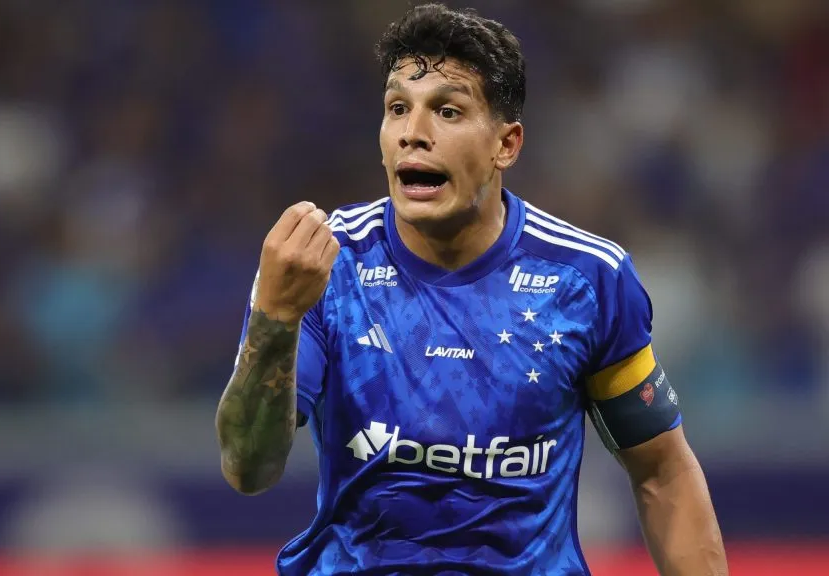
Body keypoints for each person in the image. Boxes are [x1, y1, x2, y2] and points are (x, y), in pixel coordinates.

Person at [215, 3, 727, 575]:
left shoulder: (587, 279)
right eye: (397, 109)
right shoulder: (324, 265)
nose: (413, 133)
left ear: (505, 145)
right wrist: (275, 318)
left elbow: (662, 472)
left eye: (448, 111)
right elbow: (248, 470)